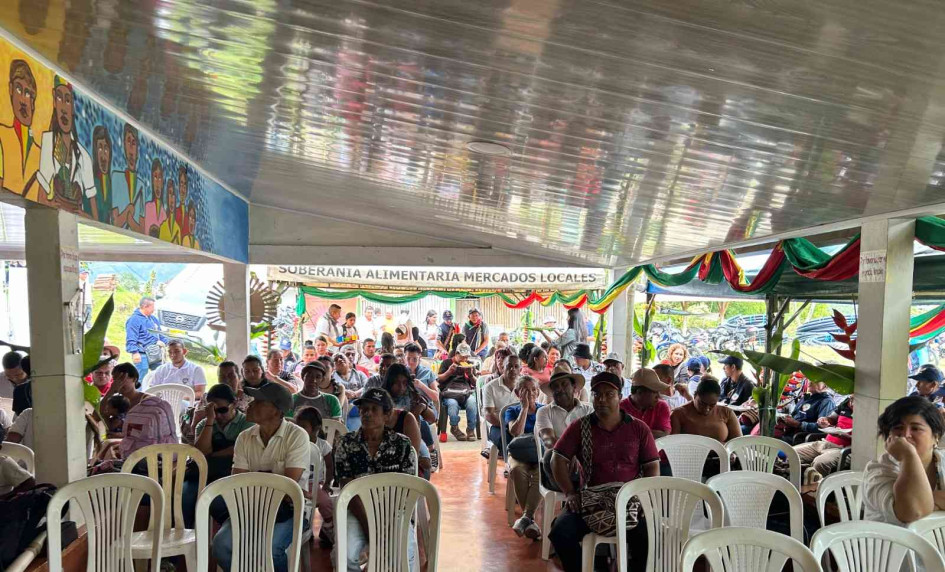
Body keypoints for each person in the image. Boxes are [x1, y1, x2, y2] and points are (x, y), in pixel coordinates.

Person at [548, 371, 658, 572]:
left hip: (629, 499)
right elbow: (557, 458)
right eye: (597, 394)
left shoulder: (639, 428)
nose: (602, 399)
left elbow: (652, 466)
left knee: (649, 535)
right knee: (560, 532)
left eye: (609, 394)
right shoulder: (580, 427)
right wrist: (570, 492)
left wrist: (643, 496)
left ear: (620, 397)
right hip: (591, 498)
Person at [212, 382, 310, 572]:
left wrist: (254, 479)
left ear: (276, 410)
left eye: (258, 401)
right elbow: (237, 483)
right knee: (221, 546)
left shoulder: (297, 436)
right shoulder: (244, 437)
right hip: (250, 509)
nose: (249, 405)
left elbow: (288, 489)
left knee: (270, 549)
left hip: (288, 512)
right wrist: (272, 479)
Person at [333, 388, 417, 571]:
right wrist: (371, 528)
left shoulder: (402, 444)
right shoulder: (345, 444)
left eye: (374, 409)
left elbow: (406, 490)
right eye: (363, 409)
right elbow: (348, 490)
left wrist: (383, 523)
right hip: (358, 511)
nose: (367, 414)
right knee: (347, 556)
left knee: (402, 553)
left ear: (387, 415)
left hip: (394, 512)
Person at [863, 396, 945, 525]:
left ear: (936, 437)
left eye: (916, 428)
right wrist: (909, 455)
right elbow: (913, 511)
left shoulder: (942, 460)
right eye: (898, 428)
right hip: (887, 543)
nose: (905, 435)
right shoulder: (878, 471)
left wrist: (928, 501)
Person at [184, 383, 255, 527]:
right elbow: (201, 453)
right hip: (203, 473)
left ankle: (233, 534)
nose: (218, 415)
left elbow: (239, 450)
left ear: (234, 404)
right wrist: (210, 421)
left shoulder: (246, 424)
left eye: (222, 410)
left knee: (218, 503)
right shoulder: (204, 424)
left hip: (232, 474)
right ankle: (190, 539)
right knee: (184, 499)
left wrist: (213, 453)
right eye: (213, 410)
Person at [535, 371, 593, 490]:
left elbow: (594, 439)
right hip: (557, 467)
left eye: (564, 384)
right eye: (555, 386)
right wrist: (569, 455)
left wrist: (578, 456)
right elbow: (548, 440)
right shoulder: (544, 411)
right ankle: (578, 493)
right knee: (551, 456)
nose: (560, 389)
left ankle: (582, 494)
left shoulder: (588, 410)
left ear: (574, 388)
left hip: (586, 463)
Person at [109, 362, 178, 459]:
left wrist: (119, 435)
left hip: (143, 445)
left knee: (109, 446)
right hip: (127, 443)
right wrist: (111, 391)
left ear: (134, 379)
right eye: (115, 379)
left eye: (122, 378)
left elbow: (142, 434)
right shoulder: (116, 401)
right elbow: (98, 416)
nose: (118, 383)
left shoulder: (147, 402)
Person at [505, 375, 544, 539]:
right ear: (517, 393)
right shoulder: (511, 410)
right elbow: (515, 432)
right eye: (525, 391)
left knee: (542, 473)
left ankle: (526, 517)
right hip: (519, 453)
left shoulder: (544, 410)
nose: (531, 394)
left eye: (534, 390)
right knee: (516, 471)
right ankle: (531, 520)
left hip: (539, 453)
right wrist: (525, 409)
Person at [294, 406, 336, 547]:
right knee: (299, 507)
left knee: (326, 503)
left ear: (316, 428)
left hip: (313, 484)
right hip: (298, 483)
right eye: (297, 426)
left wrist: (327, 484)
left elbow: (330, 466)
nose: (299, 429)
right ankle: (306, 529)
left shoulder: (322, 445)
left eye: (304, 427)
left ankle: (328, 528)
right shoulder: (294, 443)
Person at [381, 365, 433, 478]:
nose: (401, 387)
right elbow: (405, 419)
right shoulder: (383, 398)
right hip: (388, 438)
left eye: (404, 383)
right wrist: (414, 413)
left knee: (426, 464)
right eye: (396, 383)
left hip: (413, 437)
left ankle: (420, 492)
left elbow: (432, 418)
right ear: (390, 382)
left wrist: (422, 407)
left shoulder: (411, 395)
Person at [795, 395, 853, 478]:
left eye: (855, 400)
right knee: (791, 453)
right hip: (826, 443)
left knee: (820, 463)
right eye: (851, 399)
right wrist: (825, 420)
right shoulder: (846, 403)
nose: (851, 403)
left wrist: (843, 436)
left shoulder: (870, 410)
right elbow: (832, 418)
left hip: (845, 450)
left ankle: (818, 488)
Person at [670, 376, 742, 442]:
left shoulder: (726, 412)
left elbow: (737, 443)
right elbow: (673, 444)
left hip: (722, 455)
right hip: (690, 455)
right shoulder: (679, 414)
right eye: (702, 404)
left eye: (712, 405)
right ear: (695, 395)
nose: (707, 409)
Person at [437, 342, 479, 441]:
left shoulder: (470, 364)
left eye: (466, 357)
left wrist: (471, 375)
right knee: (452, 404)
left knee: (472, 402)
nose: (464, 359)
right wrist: (448, 372)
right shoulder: (446, 363)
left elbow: (476, 383)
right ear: (456, 354)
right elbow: (438, 379)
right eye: (462, 357)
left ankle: (470, 429)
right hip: (450, 393)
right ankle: (454, 428)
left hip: (465, 392)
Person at [484, 354, 522, 454]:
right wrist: (507, 426)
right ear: (502, 368)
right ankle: (512, 465)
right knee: (506, 440)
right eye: (509, 366)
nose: (512, 369)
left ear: (520, 369)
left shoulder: (524, 386)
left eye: (516, 366)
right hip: (499, 426)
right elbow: (489, 414)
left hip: (521, 424)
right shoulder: (490, 387)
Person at [142, 339, 206, 398]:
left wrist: (180, 398)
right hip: (163, 404)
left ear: (184, 351)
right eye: (170, 352)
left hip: (186, 404)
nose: (173, 355)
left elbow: (200, 393)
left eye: (177, 351)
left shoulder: (196, 369)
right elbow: (152, 389)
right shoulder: (161, 369)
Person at [620, 368, 672, 438]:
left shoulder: (661, 406)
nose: (658, 396)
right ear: (640, 392)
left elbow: (665, 434)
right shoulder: (620, 408)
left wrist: (633, 431)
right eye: (654, 392)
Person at [125, 296, 167, 381]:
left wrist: (169, 343)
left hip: (156, 353)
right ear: (145, 306)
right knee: (140, 378)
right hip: (142, 353)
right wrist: (135, 352)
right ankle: (137, 393)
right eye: (152, 307)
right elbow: (131, 337)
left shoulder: (154, 319)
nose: (154, 309)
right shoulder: (134, 319)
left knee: (160, 374)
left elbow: (160, 334)